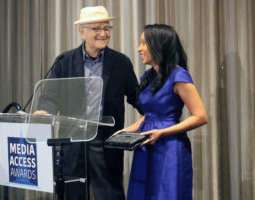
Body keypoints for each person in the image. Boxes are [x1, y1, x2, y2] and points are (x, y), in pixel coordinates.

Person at [35, 6, 142, 200]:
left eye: (107, 28)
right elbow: (50, 97)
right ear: (82, 31)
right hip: (73, 142)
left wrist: (156, 115)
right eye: (96, 29)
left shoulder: (121, 62)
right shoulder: (64, 61)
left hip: (105, 142)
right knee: (73, 195)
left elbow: (137, 97)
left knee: (110, 195)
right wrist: (44, 111)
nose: (103, 33)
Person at [120, 24, 208, 200]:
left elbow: (201, 116)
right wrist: (125, 131)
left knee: (167, 194)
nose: (139, 49)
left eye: (144, 43)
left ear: (158, 45)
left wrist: (162, 132)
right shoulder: (148, 77)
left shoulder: (178, 75)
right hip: (146, 145)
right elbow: (149, 115)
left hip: (169, 148)